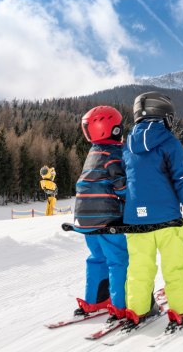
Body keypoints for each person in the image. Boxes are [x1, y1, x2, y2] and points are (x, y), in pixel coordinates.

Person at [122, 92, 183, 331]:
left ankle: (137, 311)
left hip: (136, 221)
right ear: (163, 116)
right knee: (175, 266)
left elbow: (126, 181)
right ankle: (182, 309)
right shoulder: (169, 142)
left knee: (138, 268)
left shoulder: (126, 145)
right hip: (167, 219)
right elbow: (181, 179)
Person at [69, 105, 129, 323]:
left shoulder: (93, 153)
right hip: (107, 219)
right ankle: (121, 305)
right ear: (112, 129)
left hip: (85, 219)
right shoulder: (114, 153)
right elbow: (121, 185)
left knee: (97, 258)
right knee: (118, 259)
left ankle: (95, 300)